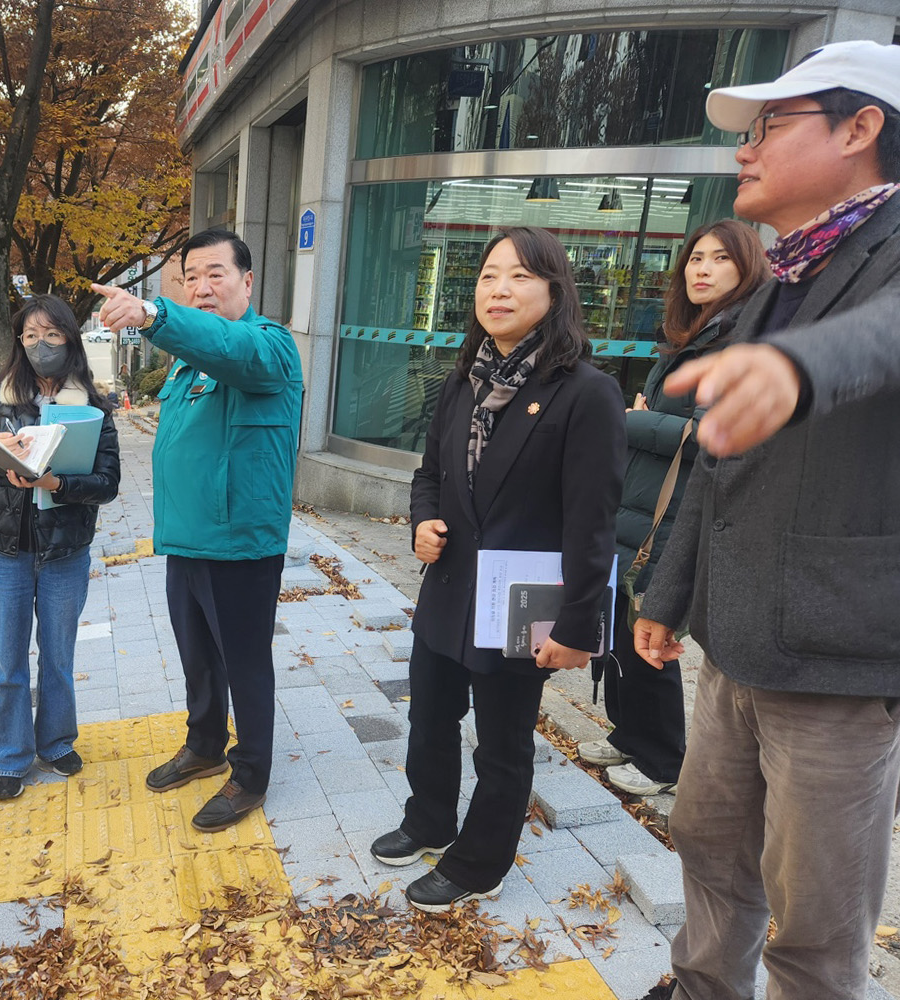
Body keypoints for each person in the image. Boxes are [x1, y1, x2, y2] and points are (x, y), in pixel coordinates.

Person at [633, 40, 900, 1000]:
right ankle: (703, 984)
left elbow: (886, 333)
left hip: (838, 652)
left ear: (861, 127)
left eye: (769, 127)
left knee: (818, 903)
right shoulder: (780, 274)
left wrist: (797, 368)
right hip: (735, 639)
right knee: (708, 843)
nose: (744, 152)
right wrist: (667, 593)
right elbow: (714, 458)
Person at [370, 227, 625, 912]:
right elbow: (431, 474)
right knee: (429, 718)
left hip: (520, 603)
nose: (499, 289)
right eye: (487, 276)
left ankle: (481, 861)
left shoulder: (586, 393)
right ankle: (429, 820)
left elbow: (592, 522)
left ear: (554, 291)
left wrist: (579, 624)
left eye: (518, 276)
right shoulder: (462, 380)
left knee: (503, 742)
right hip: (450, 588)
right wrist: (423, 520)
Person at [93, 230, 302, 832]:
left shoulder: (270, 345)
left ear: (248, 282)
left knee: (244, 660)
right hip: (185, 538)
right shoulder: (192, 358)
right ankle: (205, 742)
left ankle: (251, 773)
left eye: (216, 274)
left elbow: (232, 349)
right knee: (197, 656)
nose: (202, 288)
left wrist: (155, 313)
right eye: (191, 278)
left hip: (239, 542)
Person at [577, 220, 767, 797]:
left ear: (747, 269)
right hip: (641, 501)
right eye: (695, 259)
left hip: (677, 510)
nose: (702, 269)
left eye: (719, 260)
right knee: (618, 619)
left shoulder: (744, 341)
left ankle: (662, 759)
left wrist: (638, 421)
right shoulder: (690, 335)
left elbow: (725, 433)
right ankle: (628, 732)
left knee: (650, 625)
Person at [0, 294, 121, 801]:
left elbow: (108, 482)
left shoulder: (91, 405)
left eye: (50, 334)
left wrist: (58, 485)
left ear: (70, 338)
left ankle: (56, 741)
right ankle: (9, 755)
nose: (39, 345)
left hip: (65, 551)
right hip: (6, 551)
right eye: (29, 336)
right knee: (6, 660)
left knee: (58, 657)